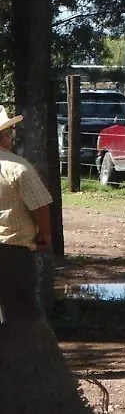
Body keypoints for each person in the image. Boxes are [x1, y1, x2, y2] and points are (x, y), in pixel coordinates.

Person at [0, 105, 54, 326]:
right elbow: (40, 204)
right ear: (4, 137)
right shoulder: (18, 168)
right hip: (13, 247)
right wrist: (45, 234)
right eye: (10, 134)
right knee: (21, 310)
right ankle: (24, 357)